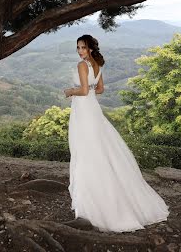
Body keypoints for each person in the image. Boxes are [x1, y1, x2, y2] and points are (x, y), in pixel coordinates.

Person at [64, 34, 169, 233]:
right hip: (92, 109)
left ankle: (94, 199)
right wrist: (88, 88)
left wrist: (70, 91)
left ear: (90, 49)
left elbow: (85, 91)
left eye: (83, 48)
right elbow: (100, 89)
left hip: (84, 109)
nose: (80, 51)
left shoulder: (82, 65)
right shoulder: (97, 64)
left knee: (85, 149)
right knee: (98, 148)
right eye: (78, 47)